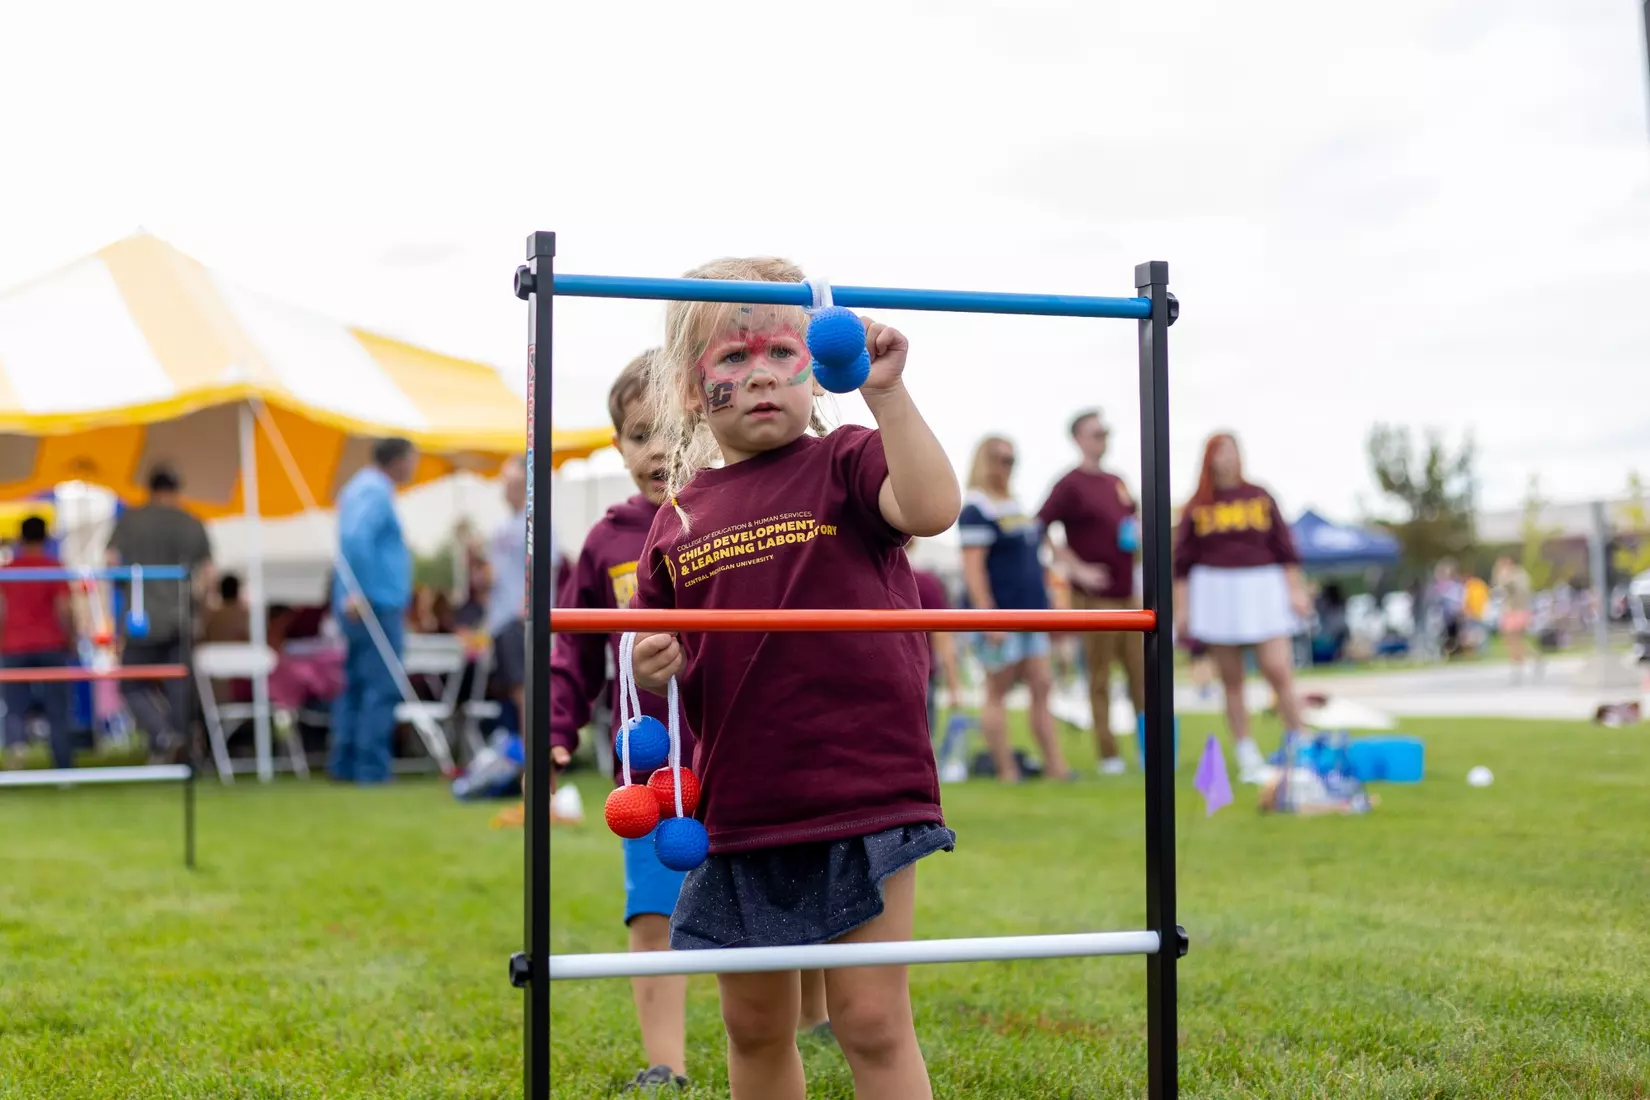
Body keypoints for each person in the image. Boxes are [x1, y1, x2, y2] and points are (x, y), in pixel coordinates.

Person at [629, 256, 961, 1100]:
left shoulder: (848, 460)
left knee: (873, 1020)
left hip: (863, 787)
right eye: (732, 361)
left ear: (817, 367)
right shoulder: (676, 520)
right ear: (687, 386)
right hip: (740, 803)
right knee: (753, 1025)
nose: (761, 375)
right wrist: (648, 657)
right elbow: (653, 649)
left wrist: (885, 395)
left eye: (781, 353)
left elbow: (929, 509)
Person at [1172, 432, 1310, 784]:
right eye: (1220, 452)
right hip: (1216, 589)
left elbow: (1285, 548)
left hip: (1261, 586)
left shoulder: (1259, 496)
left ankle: (1300, 744)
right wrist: (1182, 609)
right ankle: (1246, 752)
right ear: (1209, 458)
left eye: (1232, 451)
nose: (1227, 459)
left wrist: (1295, 590)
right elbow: (1182, 562)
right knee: (1231, 679)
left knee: (1277, 668)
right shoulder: (1198, 505)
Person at [958, 435, 1074, 784]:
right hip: (1001, 615)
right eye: (1000, 459)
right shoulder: (977, 508)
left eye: (1012, 459)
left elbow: (1034, 559)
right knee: (998, 690)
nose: (1007, 466)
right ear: (985, 461)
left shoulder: (1016, 505)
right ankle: (1006, 770)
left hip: (1032, 613)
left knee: (1042, 685)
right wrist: (987, 615)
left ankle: (1057, 767)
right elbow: (973, 569)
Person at [1037, 409, 1145, 775]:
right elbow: (1042, 527)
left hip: (1127, 592)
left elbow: (1132, 522)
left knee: (1141, 674)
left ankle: (1150, 751)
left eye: (1105, 433)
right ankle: (1109, 754)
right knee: (1100, 676)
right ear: (1079, 438)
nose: (1102, 439)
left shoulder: (1118, 481)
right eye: (1095, 433)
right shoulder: (1069, 484)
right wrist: (1076, 567)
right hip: (1093, 596)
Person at [106, 465, 214, 764]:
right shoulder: (192, 522)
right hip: (180, 618)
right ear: (176, 490)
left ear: (149, 489)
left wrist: (124, 585)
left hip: (140, 618)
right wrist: (200, 614)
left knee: (131, 683)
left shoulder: (130, 521)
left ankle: (163, 736)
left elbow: (111, 562)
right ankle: (182, 747)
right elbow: (208, 576)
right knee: (180, 685)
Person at [330, 437, 417, 785]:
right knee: (380, 686)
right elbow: (355, 537)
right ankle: (371, 769)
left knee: (356, 684)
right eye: (413, 460)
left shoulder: (359, 488)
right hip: (373, 606)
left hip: (363, 604)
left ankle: (345, 763)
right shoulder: (375, 491)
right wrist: (358, 591)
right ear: (398, 461)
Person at [0, 516, 76, 770]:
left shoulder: (8, 570)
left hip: (13, 645)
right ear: (46, 538)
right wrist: (72, 637)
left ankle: (17, 754)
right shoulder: (53, 567)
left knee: (14, 707)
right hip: (50, 643)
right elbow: (64, 608)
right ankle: (63, 766)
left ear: (21, 538)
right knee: (58, 708)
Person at [486, 455, 528, 742]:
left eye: (512, 482)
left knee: (524, 690)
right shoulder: (505, 525)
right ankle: (526, 755)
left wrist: (526, 604)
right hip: (501, 619)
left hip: (518, 617)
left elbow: (546, 565)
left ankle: (533, 756)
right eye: (505, 482)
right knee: (516, 691)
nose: (506, 488)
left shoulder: (534, 521)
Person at [1492, 555, 1536, 682]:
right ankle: (1522, 661)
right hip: (1508, 611)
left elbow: (1521, 592)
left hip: (1519, 610)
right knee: (1508, 640)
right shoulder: (1502, 575)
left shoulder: (1519, 575)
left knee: (1517, 638)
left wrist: (1508, 582)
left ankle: (1522, 663)